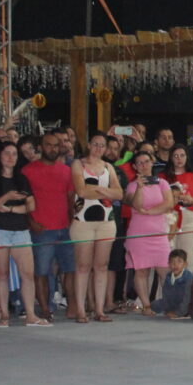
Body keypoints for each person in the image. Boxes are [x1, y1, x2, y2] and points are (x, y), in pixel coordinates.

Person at [70, 132, 124, 323]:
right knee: (83, 266)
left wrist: (101, 191)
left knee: (101, 265)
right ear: (89, 144)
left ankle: (100, 309)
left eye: (102, 145)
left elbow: (119, 193)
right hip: (83, 220)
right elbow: (81, 190)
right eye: (95, 144)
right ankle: (81, 310)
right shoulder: (79, 164)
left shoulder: (108, 166)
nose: (99, 148)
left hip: (106, 221)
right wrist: (104, 192)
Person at [25, 132, 78, 322]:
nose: (53, 149)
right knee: (42, 271)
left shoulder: (66, 170)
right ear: (41, 147)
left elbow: (70, 198)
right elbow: (24, 199)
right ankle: (45, 308)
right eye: (48, 145)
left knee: (70, 269)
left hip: (64, 228)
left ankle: (72, 306)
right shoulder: (28, 171)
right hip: (42, 230)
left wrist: (71, 220)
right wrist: (31, 222)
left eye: (56, 145)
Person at [123, 150, 176, 316]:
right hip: (138, 233)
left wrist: (150, 212)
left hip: (158, 233)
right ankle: (146, 305)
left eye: (146, 161)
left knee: (165, 270)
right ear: (135, 167)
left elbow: (169, 203)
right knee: (141, 271)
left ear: (152, 163)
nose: (144, 165)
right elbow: (136, 205)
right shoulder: (132, 186)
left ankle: (169, 304)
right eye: (140, 163)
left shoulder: (163, 183)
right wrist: (139, 187)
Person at [153, 249, 193, 319]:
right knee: (154, 304)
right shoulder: (168, 276)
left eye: (179, 262)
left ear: (185, 264)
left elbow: (187, 299)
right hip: (173, 302)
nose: (175, 265)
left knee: (189, 306)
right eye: (172, 262)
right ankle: (170, 310)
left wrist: (177, 313)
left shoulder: (189, 278)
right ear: (168, 264)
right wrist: (167, 309)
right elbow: (165, 295)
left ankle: (182, 312)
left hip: (187, 304)